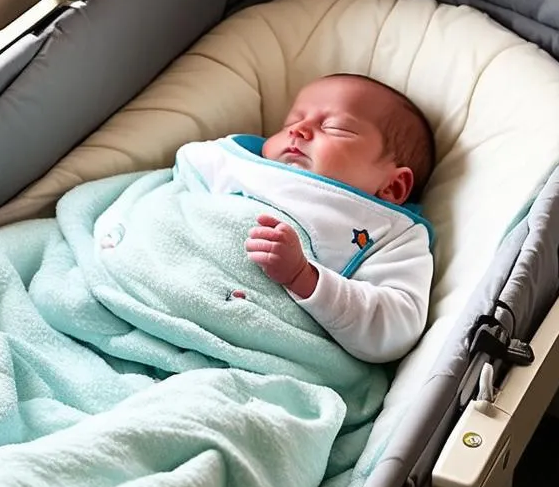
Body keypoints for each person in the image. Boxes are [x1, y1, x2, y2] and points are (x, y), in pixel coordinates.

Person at [174, 74, 435, 363]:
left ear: (392, 186)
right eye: (290, 123)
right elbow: (177, 188)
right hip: (168, 295)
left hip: (252, 354)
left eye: (335, 128)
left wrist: (304, 277)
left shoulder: (389, 231)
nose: (298, 130)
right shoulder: (237, 162)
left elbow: (396, 327)